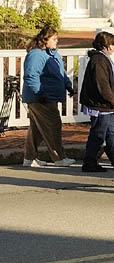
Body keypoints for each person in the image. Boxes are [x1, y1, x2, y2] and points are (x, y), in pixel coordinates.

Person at [20, 26, 76, 167]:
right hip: (40, 97)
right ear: (45, 40)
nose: (57, 41)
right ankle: (59, 158)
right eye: (54, 39)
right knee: (53, 125)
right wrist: (40, 93)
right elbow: (31, 76)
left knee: (37, 128)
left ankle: (29, 158)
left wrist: (68, 84)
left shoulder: (52, 54)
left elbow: (60, 72)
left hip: (47, 96)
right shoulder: (36, 55)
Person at [80, 31, 114, 173]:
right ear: (105, 46)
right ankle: (89, 162)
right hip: (102, 105)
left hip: (107, 106)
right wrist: (111, 100)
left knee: (112, 132)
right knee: (98, 134)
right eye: (112, 44)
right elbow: (102, 84)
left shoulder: (103, 59)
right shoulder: (99, 60)